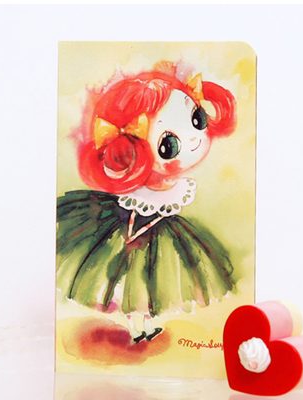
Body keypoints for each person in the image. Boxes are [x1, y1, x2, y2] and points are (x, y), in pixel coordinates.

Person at [57, 63, 238, 343]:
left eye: (198, 120)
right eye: (169, 145)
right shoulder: (137, 194)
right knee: (134, 281)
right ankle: (135, 328)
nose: (195, 139)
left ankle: (145, 325)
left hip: (157, 235)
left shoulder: (172, 191)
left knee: (152, 282)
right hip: (129, 235)